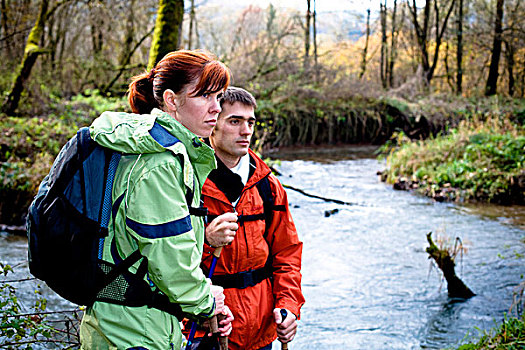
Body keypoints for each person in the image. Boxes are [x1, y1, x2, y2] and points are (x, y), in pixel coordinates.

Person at [79, 49, 234, 350]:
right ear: (172, 100)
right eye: (204, 96)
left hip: (117, 322)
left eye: (220, 97)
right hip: (137, 333)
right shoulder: (160, 164)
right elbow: (171, 263)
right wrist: (207, 302)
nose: (216, 109)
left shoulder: (146, 146)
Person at [189, 86, 305, 350]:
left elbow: (287, 254)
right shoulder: (187, 183)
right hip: (207, 331)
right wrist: (205, 240)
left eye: (250, 122)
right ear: (212, 124)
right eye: (235, 121)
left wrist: (288, 307)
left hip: (261, 333)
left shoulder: (267, 186)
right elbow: (165, 261)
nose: (246, 131)